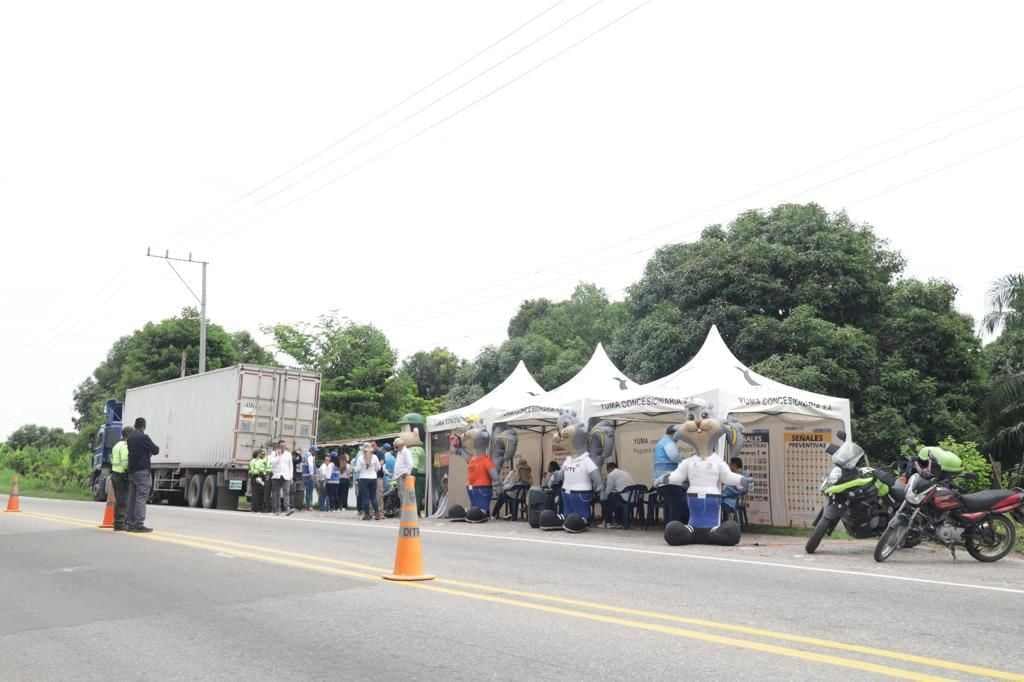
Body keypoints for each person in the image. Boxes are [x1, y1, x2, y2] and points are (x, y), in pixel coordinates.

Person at [126, 417, 159, 533]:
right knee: (141, 497)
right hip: (142, 471)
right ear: (143, 426)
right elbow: (155, 450)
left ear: (135, 425)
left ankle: (129, 523)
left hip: (132, 471)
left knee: (132, 497)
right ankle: (139, 524)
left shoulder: (129, 438)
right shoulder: (144, 437)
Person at [654, 425, 687, 525]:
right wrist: (685, 460)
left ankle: (669, 526)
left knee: (669, 505)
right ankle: (674, 527)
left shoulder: (662, 442)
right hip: (669, 480)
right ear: (675, 433)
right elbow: (674, 457)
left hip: (662, 480)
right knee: (676, 505)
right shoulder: (668, 442)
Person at [109, 425, 133, 531]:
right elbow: (124, 461)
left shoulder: (116, 445)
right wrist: (129, 470)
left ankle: (117, 522)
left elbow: (112, 459)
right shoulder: (125, 445)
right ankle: (120, 523)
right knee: (123, 500)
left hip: (114, 474)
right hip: (122, 475)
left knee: (119, 499)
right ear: (129, 435)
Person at [601, 461, 635, 528]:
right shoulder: (626, 473)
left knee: (606, 500)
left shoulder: (611, 474)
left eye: (607, 470)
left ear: (609, 469)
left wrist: (603, 496)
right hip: (632, 498)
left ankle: (607, 522)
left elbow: (608, 490)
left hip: (623, 498)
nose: (607, 472)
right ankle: (619, 522)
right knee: (614, 497)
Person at [466, 447, 497, 516]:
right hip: (482, 486)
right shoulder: (486, 460)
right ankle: (480, 515)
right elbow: (495, 476)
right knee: (482, 508)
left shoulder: (472, 460)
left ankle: (474, 515)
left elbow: (470, 474)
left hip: (470, 486)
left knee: (474, 504)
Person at [354, 444, 381, 520]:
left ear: (363, 450)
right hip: (373, 478)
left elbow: (358, 469)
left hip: (363, 478)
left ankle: (367, 515)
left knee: (365, 497)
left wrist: (353, 468)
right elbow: (378, 468)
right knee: (373, 497)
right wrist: (373, 470)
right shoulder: (375, 457)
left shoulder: (360, 458)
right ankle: (377, 514)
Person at [269, 440, 295, 516]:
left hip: (286, 476)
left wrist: (291, 477)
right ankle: (277, 509)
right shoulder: (274, 453)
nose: (283, 447)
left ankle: (287, 509)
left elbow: (291, 466)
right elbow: (272, 463)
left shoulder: (288, 454)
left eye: (284, 446)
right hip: (276, 476)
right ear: (279, 446)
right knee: (276, 493)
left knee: (286, 493)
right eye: (281, 446)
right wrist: (279, 456)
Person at [721, 456, 749, 521]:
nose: (729, 466)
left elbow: (735, 489)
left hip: (734, 499)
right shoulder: (742, 474)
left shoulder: (738, 475)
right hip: (735, 497)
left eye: (730, 464)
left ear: (734, 465)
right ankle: (725, 522)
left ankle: (725, 522)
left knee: (720, 501)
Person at [248, 449, 269, 513]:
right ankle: (258, 508)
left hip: (254, 477)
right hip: (258, 477)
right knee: (260, 493)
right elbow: (261, 469)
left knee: (255, 493)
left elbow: (250, 470)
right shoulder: (258, 461)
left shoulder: (252, 461)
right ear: (257, 455)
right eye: (260, 454)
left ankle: (254, 508)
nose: (261, 455)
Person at [302, 445, 317, 510]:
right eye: (315, 451)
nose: (316, 452)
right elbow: (311, 466)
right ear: (312, 450)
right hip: (309, 475)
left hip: (304, 475)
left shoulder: (305, 455)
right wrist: (312, 475)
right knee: (310, 491)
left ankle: (306, 505)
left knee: (307, 491)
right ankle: (309, 506)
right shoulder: (310, 456)